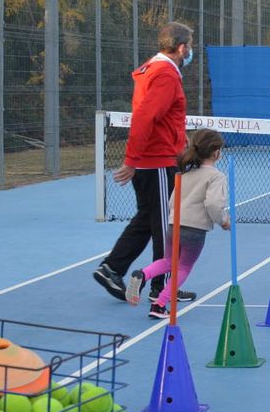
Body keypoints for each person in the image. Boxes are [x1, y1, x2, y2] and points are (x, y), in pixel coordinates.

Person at [94, 22, 198, 304]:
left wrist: (180, 136)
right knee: (166, 227)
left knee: (146, 220)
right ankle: (161, 288)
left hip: (155, 159)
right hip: (157, 163)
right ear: (180, 48)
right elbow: (144, 117)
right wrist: (131, 160)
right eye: (189, 45)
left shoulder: (155, 70)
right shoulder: (165, 74)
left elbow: (161, 116)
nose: (191, 51)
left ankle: (112, 268)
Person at [125, 129, 230, 319]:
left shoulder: (185, 173)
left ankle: (143, 274)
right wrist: (223, 220)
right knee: (183, 268)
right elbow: (214, 204)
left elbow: (172, 201)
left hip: (174, 224)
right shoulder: (216, 176)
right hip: (195, 229)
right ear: (216, 152)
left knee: (168, 261)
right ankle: (159, 305)